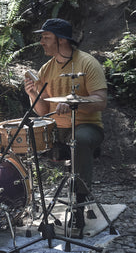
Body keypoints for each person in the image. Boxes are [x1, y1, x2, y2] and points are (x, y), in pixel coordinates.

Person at [24, 18, 107, 235]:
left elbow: (101, 101)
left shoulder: (87, 63)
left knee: (78, 140)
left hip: (87, 126)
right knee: (24, 137)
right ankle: (22, 202)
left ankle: (79, 204)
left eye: (45, 37)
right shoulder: (46, 69)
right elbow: (42, 111)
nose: (41, 41)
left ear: (61, 40)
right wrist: (32, 93)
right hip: (57, 129)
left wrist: (75, 103)